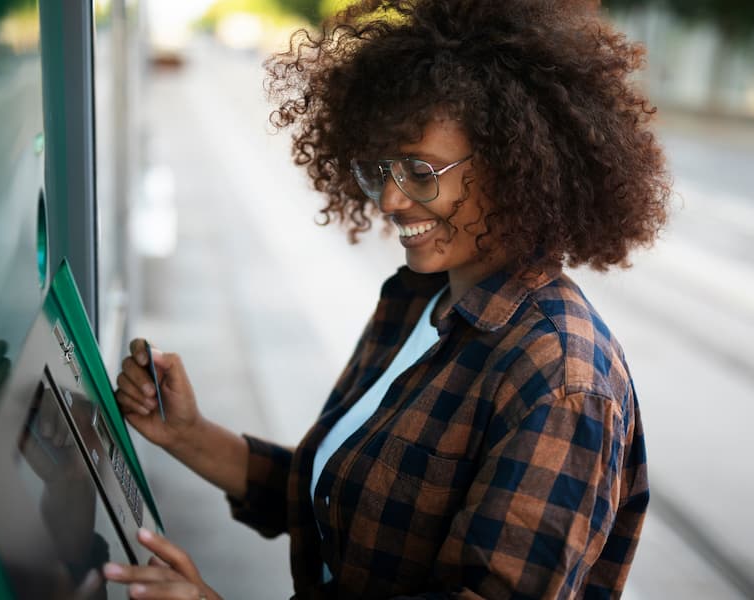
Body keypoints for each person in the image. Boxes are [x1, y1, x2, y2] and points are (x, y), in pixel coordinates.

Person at [104, 0, 670, 597]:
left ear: (513, 167)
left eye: (421, 173)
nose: (391, 202)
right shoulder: (416, 300)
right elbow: (333, 490)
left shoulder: (560, 378)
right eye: (383, 170)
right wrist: (186, 432)